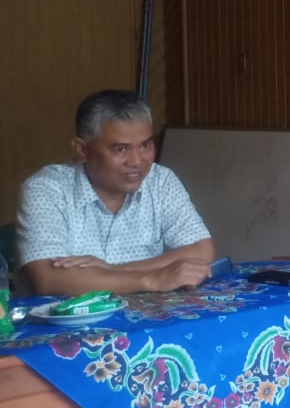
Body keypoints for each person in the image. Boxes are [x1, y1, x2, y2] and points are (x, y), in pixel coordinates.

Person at [16, 90, 215, 295]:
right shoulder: (47, 189)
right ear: (82, 150)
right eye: (120, 149)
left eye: (145, 145)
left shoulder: (160, 181)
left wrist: (114, 269)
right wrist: (152, 279)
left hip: (143, 312)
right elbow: (48, 279)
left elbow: (201, 250)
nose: (136, 161)